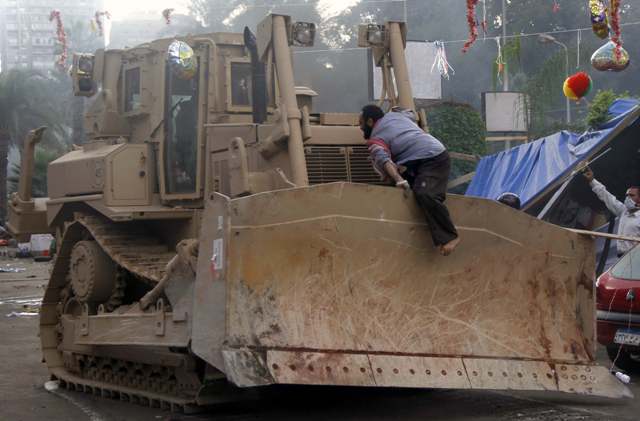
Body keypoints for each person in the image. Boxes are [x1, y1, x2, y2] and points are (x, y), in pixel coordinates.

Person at [360, 104, 460, 256]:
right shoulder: (395, 116)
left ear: (369, 122)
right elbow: (412, 115)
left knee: (424, 193)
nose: (359, 127)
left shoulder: (376, 139)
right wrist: (397, 109)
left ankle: (450, 237)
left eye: (360, 123)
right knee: (402, 194)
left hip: (433, 157)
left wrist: (399, 180)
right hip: (414, 162)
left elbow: (384, 160)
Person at [583, 167, 640, 257]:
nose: (627, 198)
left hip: (635, 258)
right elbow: (607, 196)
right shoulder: (623, 212)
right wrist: (592, 180)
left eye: (631, 195)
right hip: (622, 259)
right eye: (627, 195)